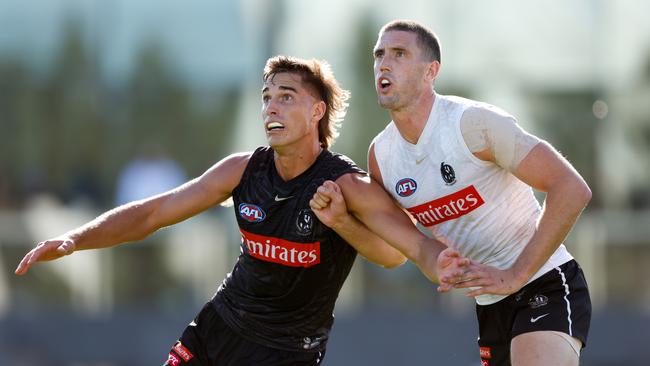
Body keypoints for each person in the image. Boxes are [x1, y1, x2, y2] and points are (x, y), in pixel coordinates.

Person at [15, 55, 469, 366]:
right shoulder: (242, 169)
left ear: (317, 111)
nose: (271, 106)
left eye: (286, 96)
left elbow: (396, 254)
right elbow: (154, 214)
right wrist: (77, 239)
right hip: (217, 327)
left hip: (287, 351)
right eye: (267, 97)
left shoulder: (346, 185)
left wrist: (344, 223)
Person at [310, 20, 592, 366]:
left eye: (399, 54)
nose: (384, 63)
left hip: (545, 283)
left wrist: (515, 275)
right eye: (379, 54)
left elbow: (571, 189)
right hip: (489, 304)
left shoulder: (474, 124)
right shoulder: (381, 155)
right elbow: (396, 252)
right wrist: (342, 221)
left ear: (431, 71)